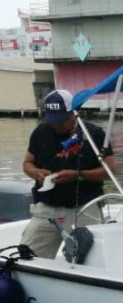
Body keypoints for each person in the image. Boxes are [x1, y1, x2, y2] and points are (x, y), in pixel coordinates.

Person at [20, 89, 116, 259]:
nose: (56, 125)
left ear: (73, 113)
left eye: (61, 120)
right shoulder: (40, 132)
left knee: (95, 259)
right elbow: (27, 163)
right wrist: (36, 173)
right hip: (48, 207)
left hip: (85, 207)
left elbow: (110, 170)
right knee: (27, 256)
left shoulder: (94, 134)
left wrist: (78, 175)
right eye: (52, 120)